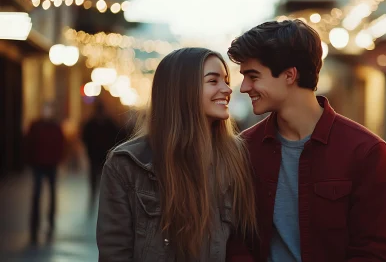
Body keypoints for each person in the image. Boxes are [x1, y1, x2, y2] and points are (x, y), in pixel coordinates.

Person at [227, 19, 386, 261]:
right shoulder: (243, 150)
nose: (244, 87)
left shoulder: (367, 152)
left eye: (253, 76)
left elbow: (374, 250)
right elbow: (235, 239)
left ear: (289, 75)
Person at [96, 47, 257, 261]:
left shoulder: (237, 157)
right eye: (213, 81)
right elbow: (114, 252)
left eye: (226, 80)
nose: (227, 89)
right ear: (181, 90)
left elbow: (244, 244)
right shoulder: (127, 164)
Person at [25, 102, 65, 244]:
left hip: (51, 165)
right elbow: (29, 143)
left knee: (52, 193)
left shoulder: (55, 126)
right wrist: (31, 160)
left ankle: (50, 222)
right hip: (38, 164)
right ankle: (35, 224)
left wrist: (58, 159)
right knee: (37, 194)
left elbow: (61, 144)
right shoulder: (36, 126)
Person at [82, 100, 123, 213]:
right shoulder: (94, 124)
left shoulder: (106, 124)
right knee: (96, 181)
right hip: (96, 157)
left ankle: (100, 202)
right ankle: (95, 201)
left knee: (103, 181)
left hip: (103, 157)